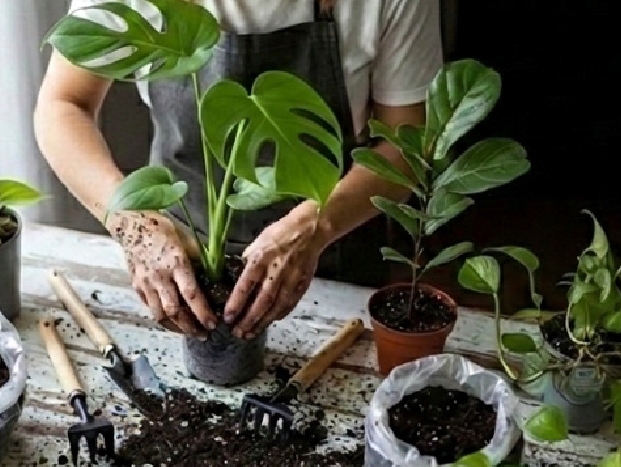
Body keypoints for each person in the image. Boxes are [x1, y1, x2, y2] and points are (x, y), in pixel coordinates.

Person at [35, 0, 443, 341]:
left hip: (329, 253)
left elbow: (405, 145)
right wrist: (133, 226)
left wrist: (315, 228)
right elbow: (63, 106)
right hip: (174, 264)